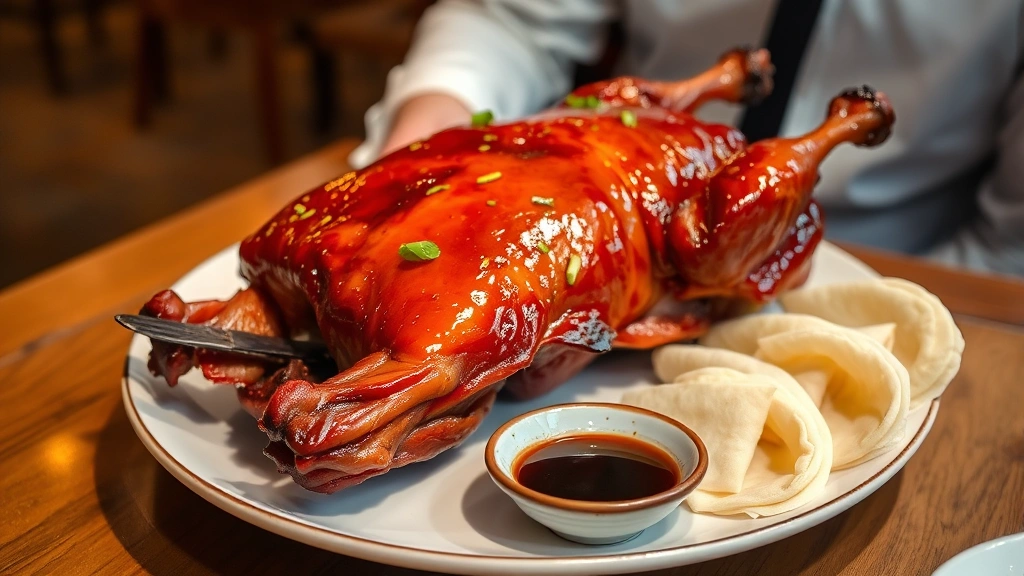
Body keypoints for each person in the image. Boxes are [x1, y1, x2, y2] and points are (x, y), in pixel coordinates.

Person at [349, 0, 1024, 277]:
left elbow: (1009, 251)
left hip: (893, 260)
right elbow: (516, 18)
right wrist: (422, 138)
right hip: (603, 215)